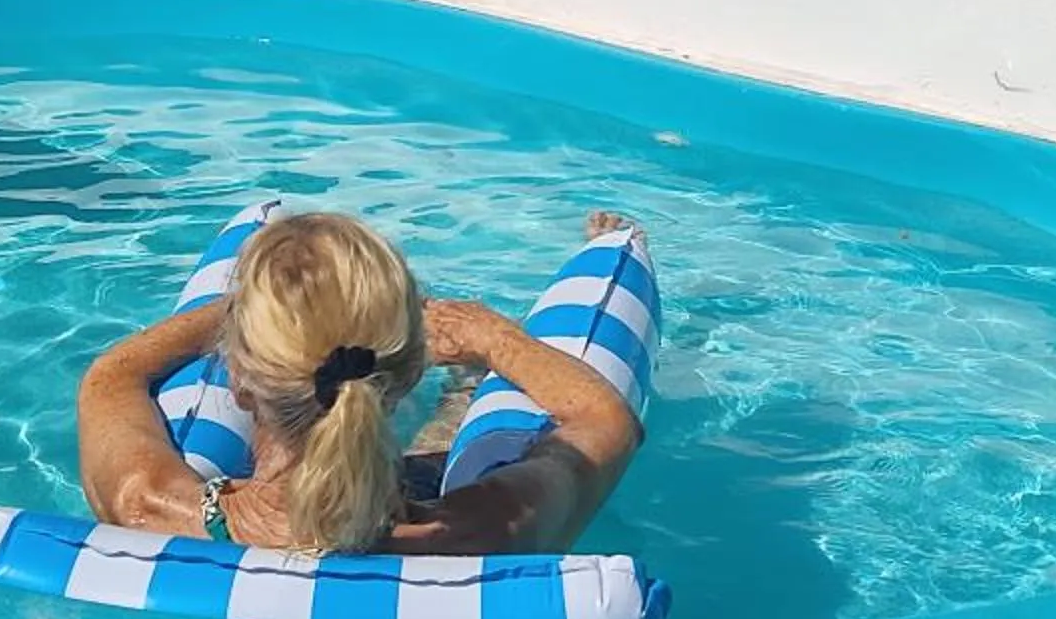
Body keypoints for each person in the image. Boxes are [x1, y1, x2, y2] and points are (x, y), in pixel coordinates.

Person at [76, 209, 646, 558]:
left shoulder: (145, 511)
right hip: (410, 505)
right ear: (410, 371)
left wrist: (254, 313)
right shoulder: (488, 535)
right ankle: (468, 384)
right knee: (430, 459)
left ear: (240, 378)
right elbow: (606, 419)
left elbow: (112, 376)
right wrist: (494, 336)